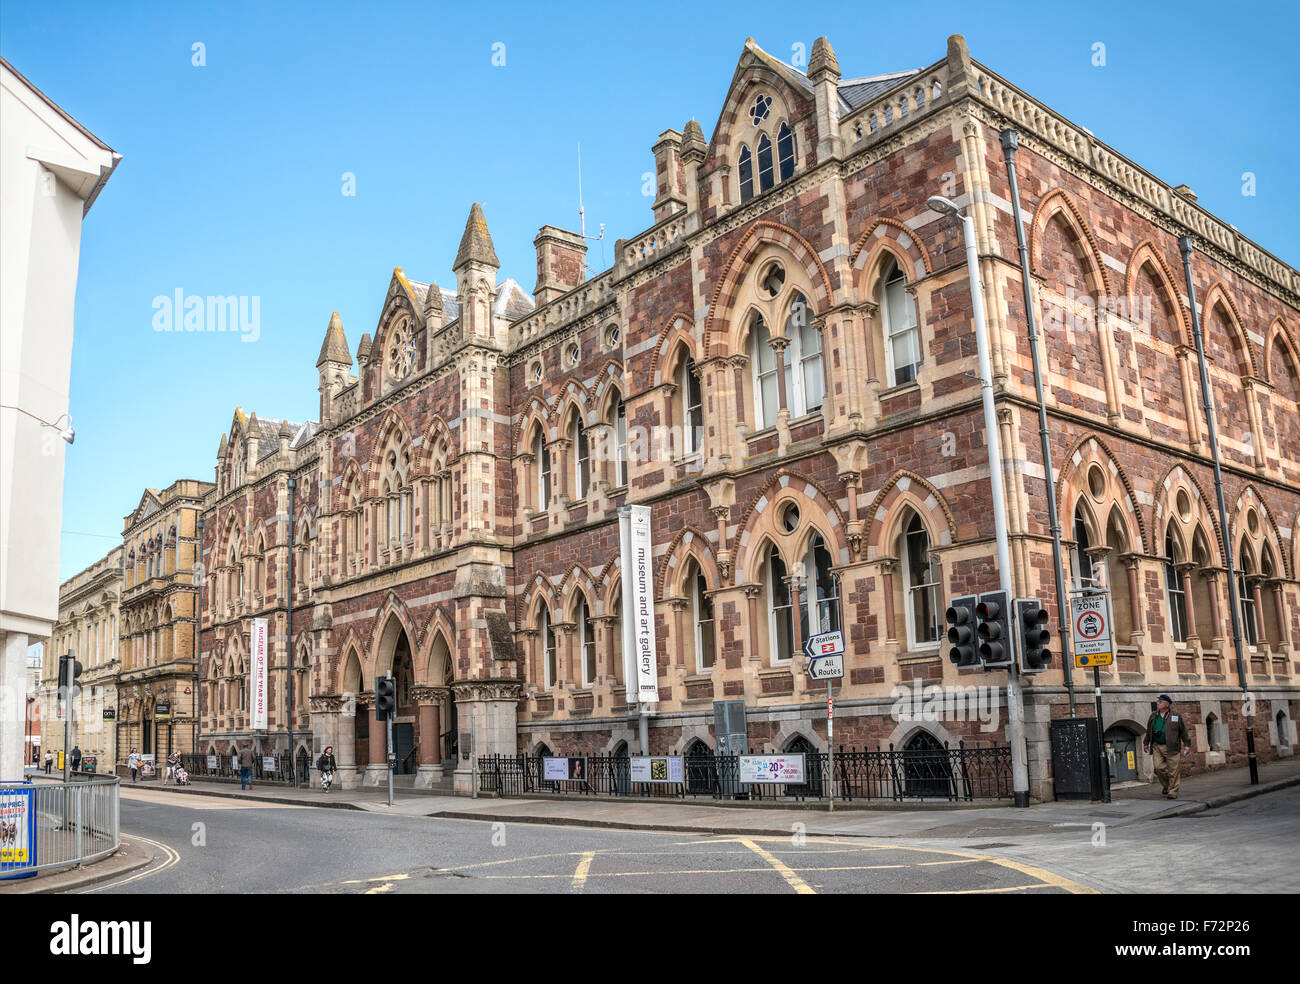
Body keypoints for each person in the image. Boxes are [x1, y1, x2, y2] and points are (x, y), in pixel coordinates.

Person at [1144, 694, 1191, 799]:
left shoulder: (1175, 716)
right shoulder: (1153, 715)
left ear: (1167, 704)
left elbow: (1183, 731)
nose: (1158, 703)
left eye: (1160, 702)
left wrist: (1187, 745)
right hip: (1157, 746)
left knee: (1173, 770)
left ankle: (1173, 791)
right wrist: (1146, 743)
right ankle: (1167, 785)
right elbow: (1148, 731)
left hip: (1172, 747)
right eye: (1158, 702)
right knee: (1158, 768)